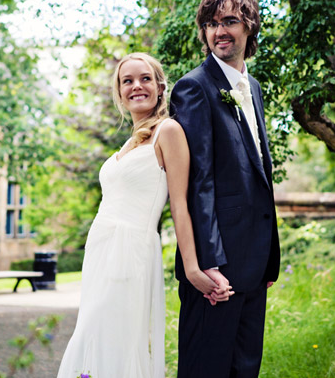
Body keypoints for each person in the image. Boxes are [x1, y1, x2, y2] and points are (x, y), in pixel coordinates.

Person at [57, 52, 223, 378]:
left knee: (118, 341)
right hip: (101, 253)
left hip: (130, 251)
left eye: (145, 78)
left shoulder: (169, 132)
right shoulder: (130, 142)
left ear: (160, 86)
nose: (137, 86)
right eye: (127, 81)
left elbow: (180, 205)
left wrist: (193, 268)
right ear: (119, 92)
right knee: (96, 338)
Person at [169, 0, 281, 378]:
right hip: (215, 269)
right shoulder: (193, 88)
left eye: (230, 21)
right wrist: (208, 264)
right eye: (212, 24)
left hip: (254, 262)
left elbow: (257, 177)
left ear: (249, 27)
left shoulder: (254, 89)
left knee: (245, 369)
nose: (219, 31)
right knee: (207, 369)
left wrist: (269, 260)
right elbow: (198, 184)